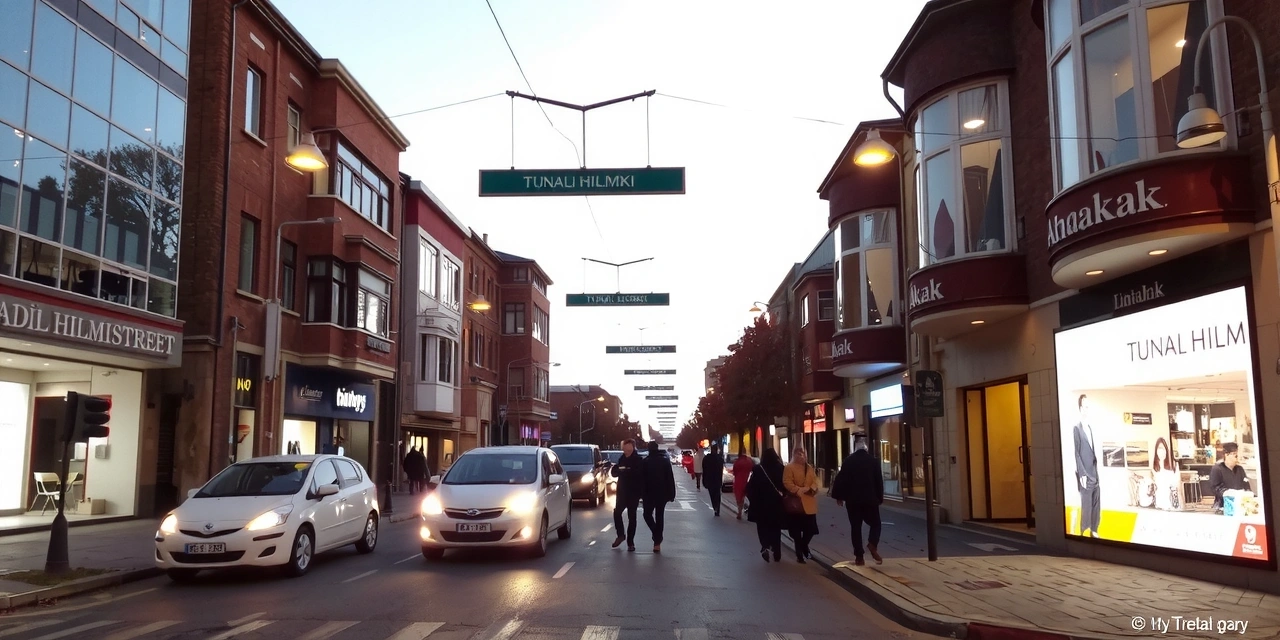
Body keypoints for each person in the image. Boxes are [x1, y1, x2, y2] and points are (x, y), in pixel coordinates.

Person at [831, 437, 883, 566]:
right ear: (866, 448)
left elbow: (840, 479)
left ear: (855, 448)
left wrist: (839, 496)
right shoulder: (873, 461)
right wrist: (879, 498)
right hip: (870, 500)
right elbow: (878, 481)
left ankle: (859, 557)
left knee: (856, 527)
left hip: (852, 501)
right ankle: (872, 543)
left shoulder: (848, 461)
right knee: (876, 524)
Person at [746, 448, 786, 562]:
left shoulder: (758, 469)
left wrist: (752, 499)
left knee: (762, 526)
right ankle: (777, 550)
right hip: (776, 503)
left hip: (760, 504)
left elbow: (750, 487)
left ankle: (765, 546)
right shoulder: (781, 469)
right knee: (775, 527)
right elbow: (785, 485)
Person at [783, 444, 820, 563]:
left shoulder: (809, 467)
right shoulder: (789, 467)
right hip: (796, 504)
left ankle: (804, 546)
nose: (801, 455)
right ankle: (799, 554)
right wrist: (797, 490)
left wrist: (811, 488)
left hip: (808, 502)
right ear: (794, 454)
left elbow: (815, 481)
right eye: (798, 453)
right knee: (796, 531)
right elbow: (787, 482)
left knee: (810, 530)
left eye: (803, 453)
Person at [1072, 394, 1101, 538]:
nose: (1086, 409)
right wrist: (1082, 473)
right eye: (1083, 406)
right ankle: (1084, 530)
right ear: (1079, 408)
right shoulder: (1077, 429)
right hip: (1085, 473)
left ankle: (1094, 529)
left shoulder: (1090, 428)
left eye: (1088, 406)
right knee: (1086, 503)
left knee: (1096, 501)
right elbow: (1076, 453)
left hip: (1095, 472)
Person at [641, 441, 676, 552]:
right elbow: (670, 478)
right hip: (662, 494)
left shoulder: (645, 462)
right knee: (659, 516)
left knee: (647, 515)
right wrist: (672, 493)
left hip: (649, 494)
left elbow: (642, 481)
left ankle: (656, 535)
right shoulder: (665, 461)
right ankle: (657, 540)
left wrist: (641, 494)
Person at [611, 439, 645, 551]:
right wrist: (617, 470)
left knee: (632, 516)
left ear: (632, 447)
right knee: (617, 512)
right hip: (622, 491)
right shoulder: (621, 459)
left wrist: (626, 471)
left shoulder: (638, 460)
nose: (624, 449)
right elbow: (615, 472)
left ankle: (631, 542)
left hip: (633, 492)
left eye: (627, 447)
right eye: (624, 447)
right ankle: (621, 535)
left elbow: (639, 474)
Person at [1210, 442, 1250, 513]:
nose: (1237, 457)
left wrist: (1248, 493)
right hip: (1223, 506)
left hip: (1241, 506)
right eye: (1235, 455)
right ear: (1227, 454)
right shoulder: (1217, 469)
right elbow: (1215, 488)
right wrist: (1229, 493)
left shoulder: (1240, 469)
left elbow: (1246, 486)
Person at [1152, 437, 1180, 511]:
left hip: (1171, 504)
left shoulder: (1173, 465)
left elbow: (1176, 483)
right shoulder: (1155, 467)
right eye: (1158, 449)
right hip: (1159, 504)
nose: (1160, 451)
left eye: (1162, 449)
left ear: (1166, 450)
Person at [732, 446, 754, 520]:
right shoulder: (749, 461)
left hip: (739, 481)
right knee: (747, 496)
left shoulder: (737, 462)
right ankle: (748, 508)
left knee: (739, 497)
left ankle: (739, 511)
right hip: (747, 480)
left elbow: (734, 472)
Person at [702, 444, 725, 516]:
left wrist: (704, 479)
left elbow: (704, 469)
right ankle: (717, 508)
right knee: (717, 494)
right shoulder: (719, 458)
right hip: (717, 479)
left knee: (712, 494)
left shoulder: (707, 458)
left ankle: (715, 506)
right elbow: (721, 469)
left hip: (709, 479)